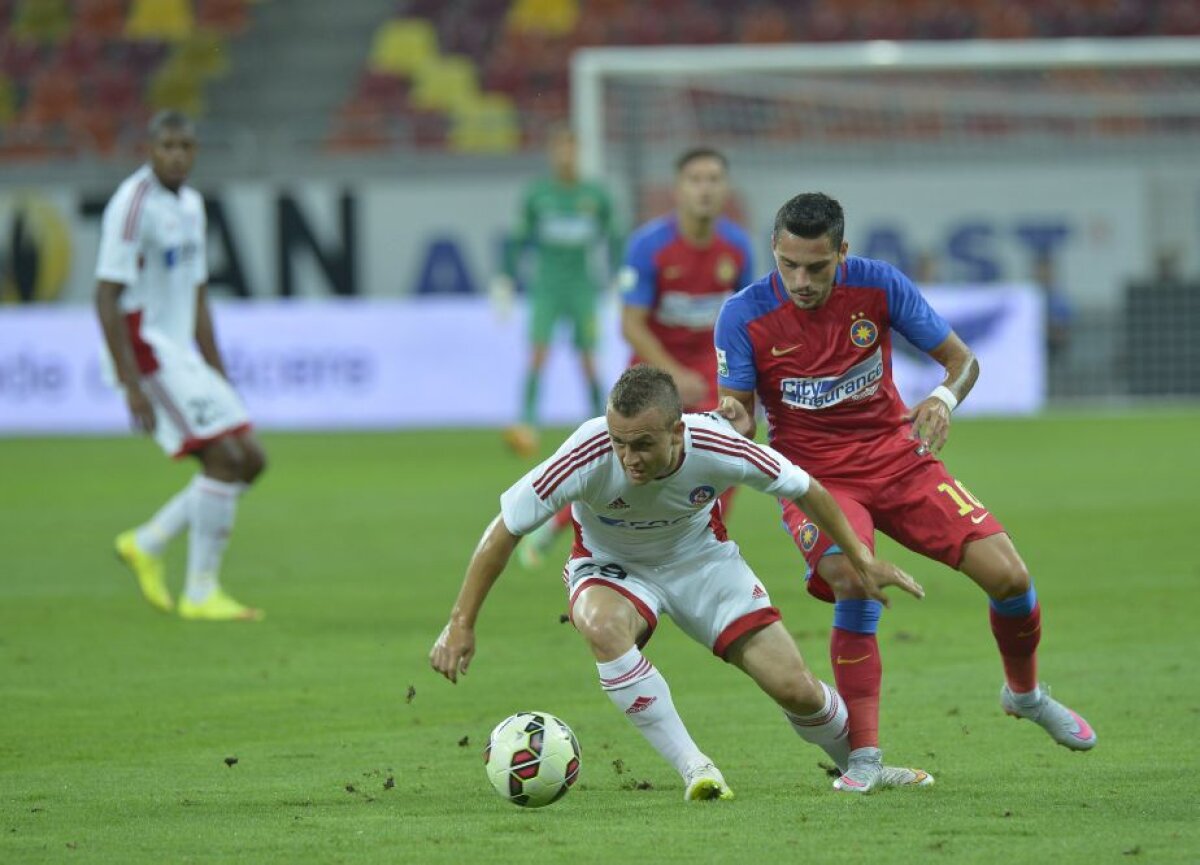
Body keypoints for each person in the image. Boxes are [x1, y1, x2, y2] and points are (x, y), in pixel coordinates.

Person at [714, 192, 1096, 793]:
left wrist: (943, 399)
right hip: (816, 478)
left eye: (816, 267)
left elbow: (962, 361)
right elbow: (739, 411)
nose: (801, 281)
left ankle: (1024, 694)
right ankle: (864, 758)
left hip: (898, 459)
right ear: (774, 252)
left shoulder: (879, 285)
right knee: (851, 577)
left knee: (1010, 578)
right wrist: (734, 420)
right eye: (789, 265)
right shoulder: (744, 314)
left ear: (843, 252)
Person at [430, 365, 930, 799]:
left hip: (702, 564)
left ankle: (863, 767)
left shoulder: (716, 446)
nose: (628, 457)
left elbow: (806, 488)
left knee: (794, 688)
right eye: (619, 441)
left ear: (676, 432)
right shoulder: (587, 451)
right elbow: (506, 528)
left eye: (642, 444)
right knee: (601, 626)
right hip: (611, 568)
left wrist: (861, 558)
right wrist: (460, 623)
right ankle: (696, 767)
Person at [519, 147, 754, 566]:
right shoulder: (649, 246)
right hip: (652, 370)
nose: (705, 189)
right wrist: (674, 375)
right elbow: (631, 325)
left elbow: (746, 319)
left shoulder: (737, 248)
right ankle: (557, 522)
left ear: (725, 189)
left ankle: (708, 540)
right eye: (695, 180)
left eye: (714, 179)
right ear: (678, 190)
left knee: (732, 449)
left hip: (709, 370)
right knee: (621, 462)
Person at [95, 110, 265, 622]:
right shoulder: (132, 204)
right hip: (145, 350)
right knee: (223, 459)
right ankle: (200, 592)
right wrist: (130, 383)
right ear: (150, 149)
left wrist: (216, 370)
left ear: (195, 152)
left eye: (184, 146)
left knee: (250, 459)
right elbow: (105, 296)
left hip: (180, 351)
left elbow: (198, 294)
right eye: (166, 146)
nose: (175, 155)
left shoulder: (192, 205)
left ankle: (147, 542)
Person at [497, 125, 621, 458]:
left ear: (578, 153)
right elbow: (519, 237)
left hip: (582, 286)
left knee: (588, 359)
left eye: (571, 149)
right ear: (552, 154)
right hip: (547, 286)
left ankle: (601, 424)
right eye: (560, 149)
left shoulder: (595, 195)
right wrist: (506, 277)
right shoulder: (539, 195)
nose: (566, 156)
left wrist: (618, 276)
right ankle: (527, 424)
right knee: (538, 353)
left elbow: (615, 236)